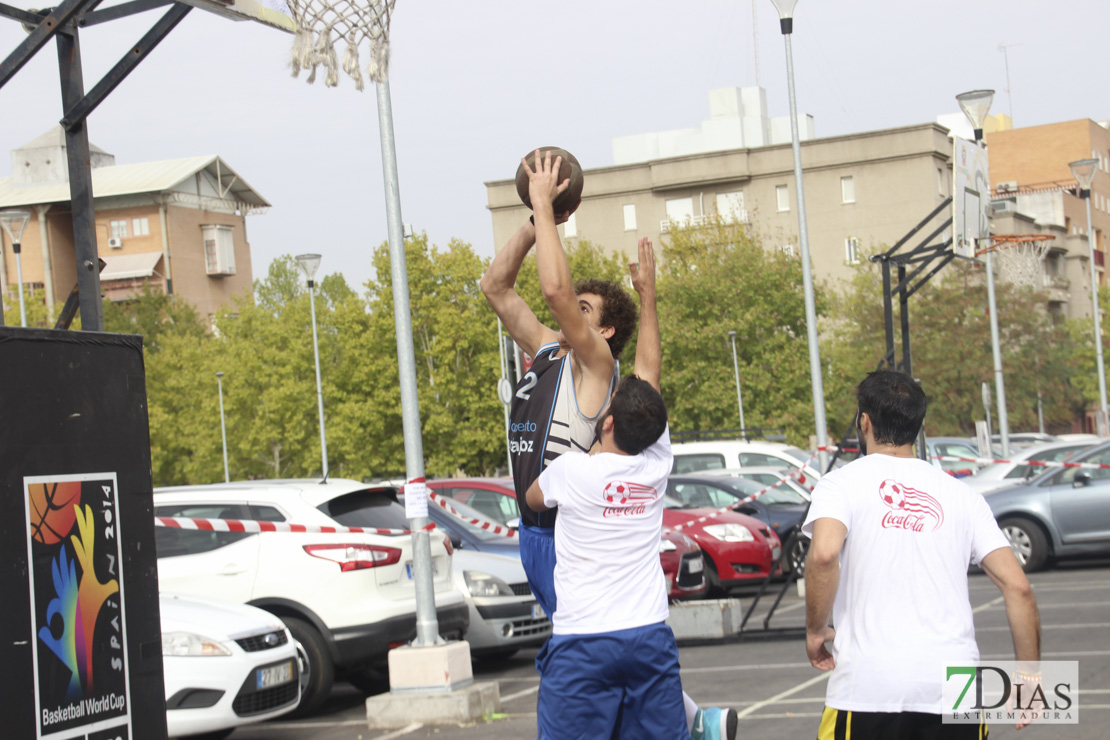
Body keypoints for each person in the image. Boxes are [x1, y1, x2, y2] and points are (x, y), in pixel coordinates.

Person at [479, 150, 737, 740]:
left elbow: (555, 289)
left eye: (587, 311)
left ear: (604, 330)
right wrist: (535, 221)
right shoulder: (550, 350)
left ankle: (693, 718)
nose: (575, 313)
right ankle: (684, 715)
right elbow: (497, 287)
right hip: (537, 526)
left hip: (555, 528)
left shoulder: (594, 363)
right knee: (608, 644)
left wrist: (546, 205)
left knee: (587, 644)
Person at [802, 370, 1042, 739]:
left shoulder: (841, 483)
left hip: (868, 688)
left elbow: (823, 555)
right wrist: (1029, 683)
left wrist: (816, 629)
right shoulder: (963, 496)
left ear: (863, 421)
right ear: (919, 425)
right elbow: (1019, 587)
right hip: (956, 687)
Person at [525, 372, 684, 739]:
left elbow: (533, 500)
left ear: (608, 422)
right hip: (648, 636)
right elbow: (651, 375)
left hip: (583, 641)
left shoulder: (570, 470)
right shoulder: (657, 465)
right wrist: (648, 309)